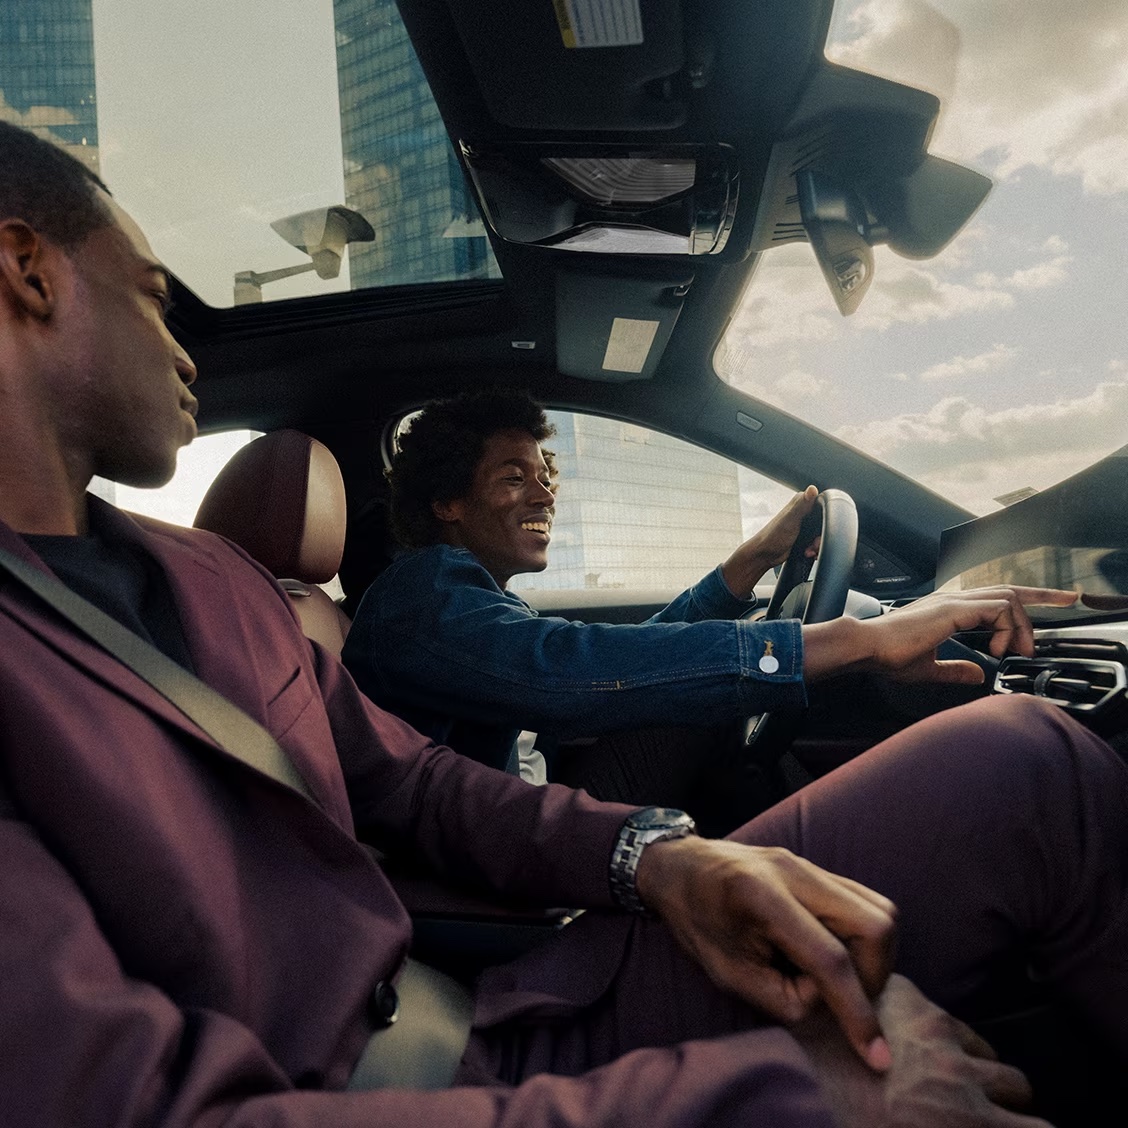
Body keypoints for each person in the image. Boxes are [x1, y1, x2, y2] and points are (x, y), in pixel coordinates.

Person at [1, 119, 1126, 1127]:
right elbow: (577, 671)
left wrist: (659, 859)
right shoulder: (419, 601)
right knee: (1027, 768)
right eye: (153, 294)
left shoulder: (214, 581)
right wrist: (787, 1098)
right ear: (26, 271)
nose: (186, 346)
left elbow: (415, 784)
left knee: (1019, 762)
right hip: (421, 1065)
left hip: (479, 1006)